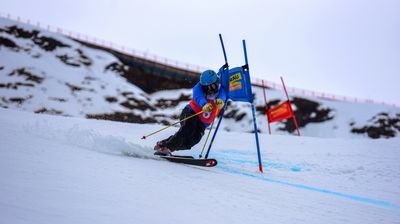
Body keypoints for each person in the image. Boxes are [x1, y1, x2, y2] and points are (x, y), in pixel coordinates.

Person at [154, 69, 227, 156]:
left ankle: (163, 144)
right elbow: (198, 97)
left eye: (212, 86)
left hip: (203, 123)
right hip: (191, 113)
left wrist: (220, 101)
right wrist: (204, 104)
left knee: (192, 141)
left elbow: (223, 94)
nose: (210, 89)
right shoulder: (198, 88)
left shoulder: (221, 88)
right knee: (188, 130)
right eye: (207, 87)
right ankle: (168, 147)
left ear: (217, 82)